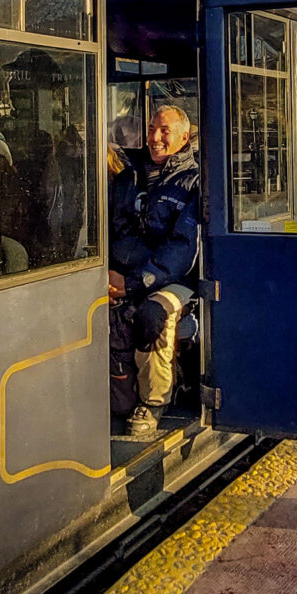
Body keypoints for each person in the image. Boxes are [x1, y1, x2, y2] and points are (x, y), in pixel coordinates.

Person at [108, 104, 201, 439]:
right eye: (151, 129)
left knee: (152, 314)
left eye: (164, 130)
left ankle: (154, 402)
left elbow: (183, 248)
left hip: (173, 280)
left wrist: (132, 282)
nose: (155, 137)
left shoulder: (192, 182)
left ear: (184, 136)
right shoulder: (127, 174)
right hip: (121, 274)